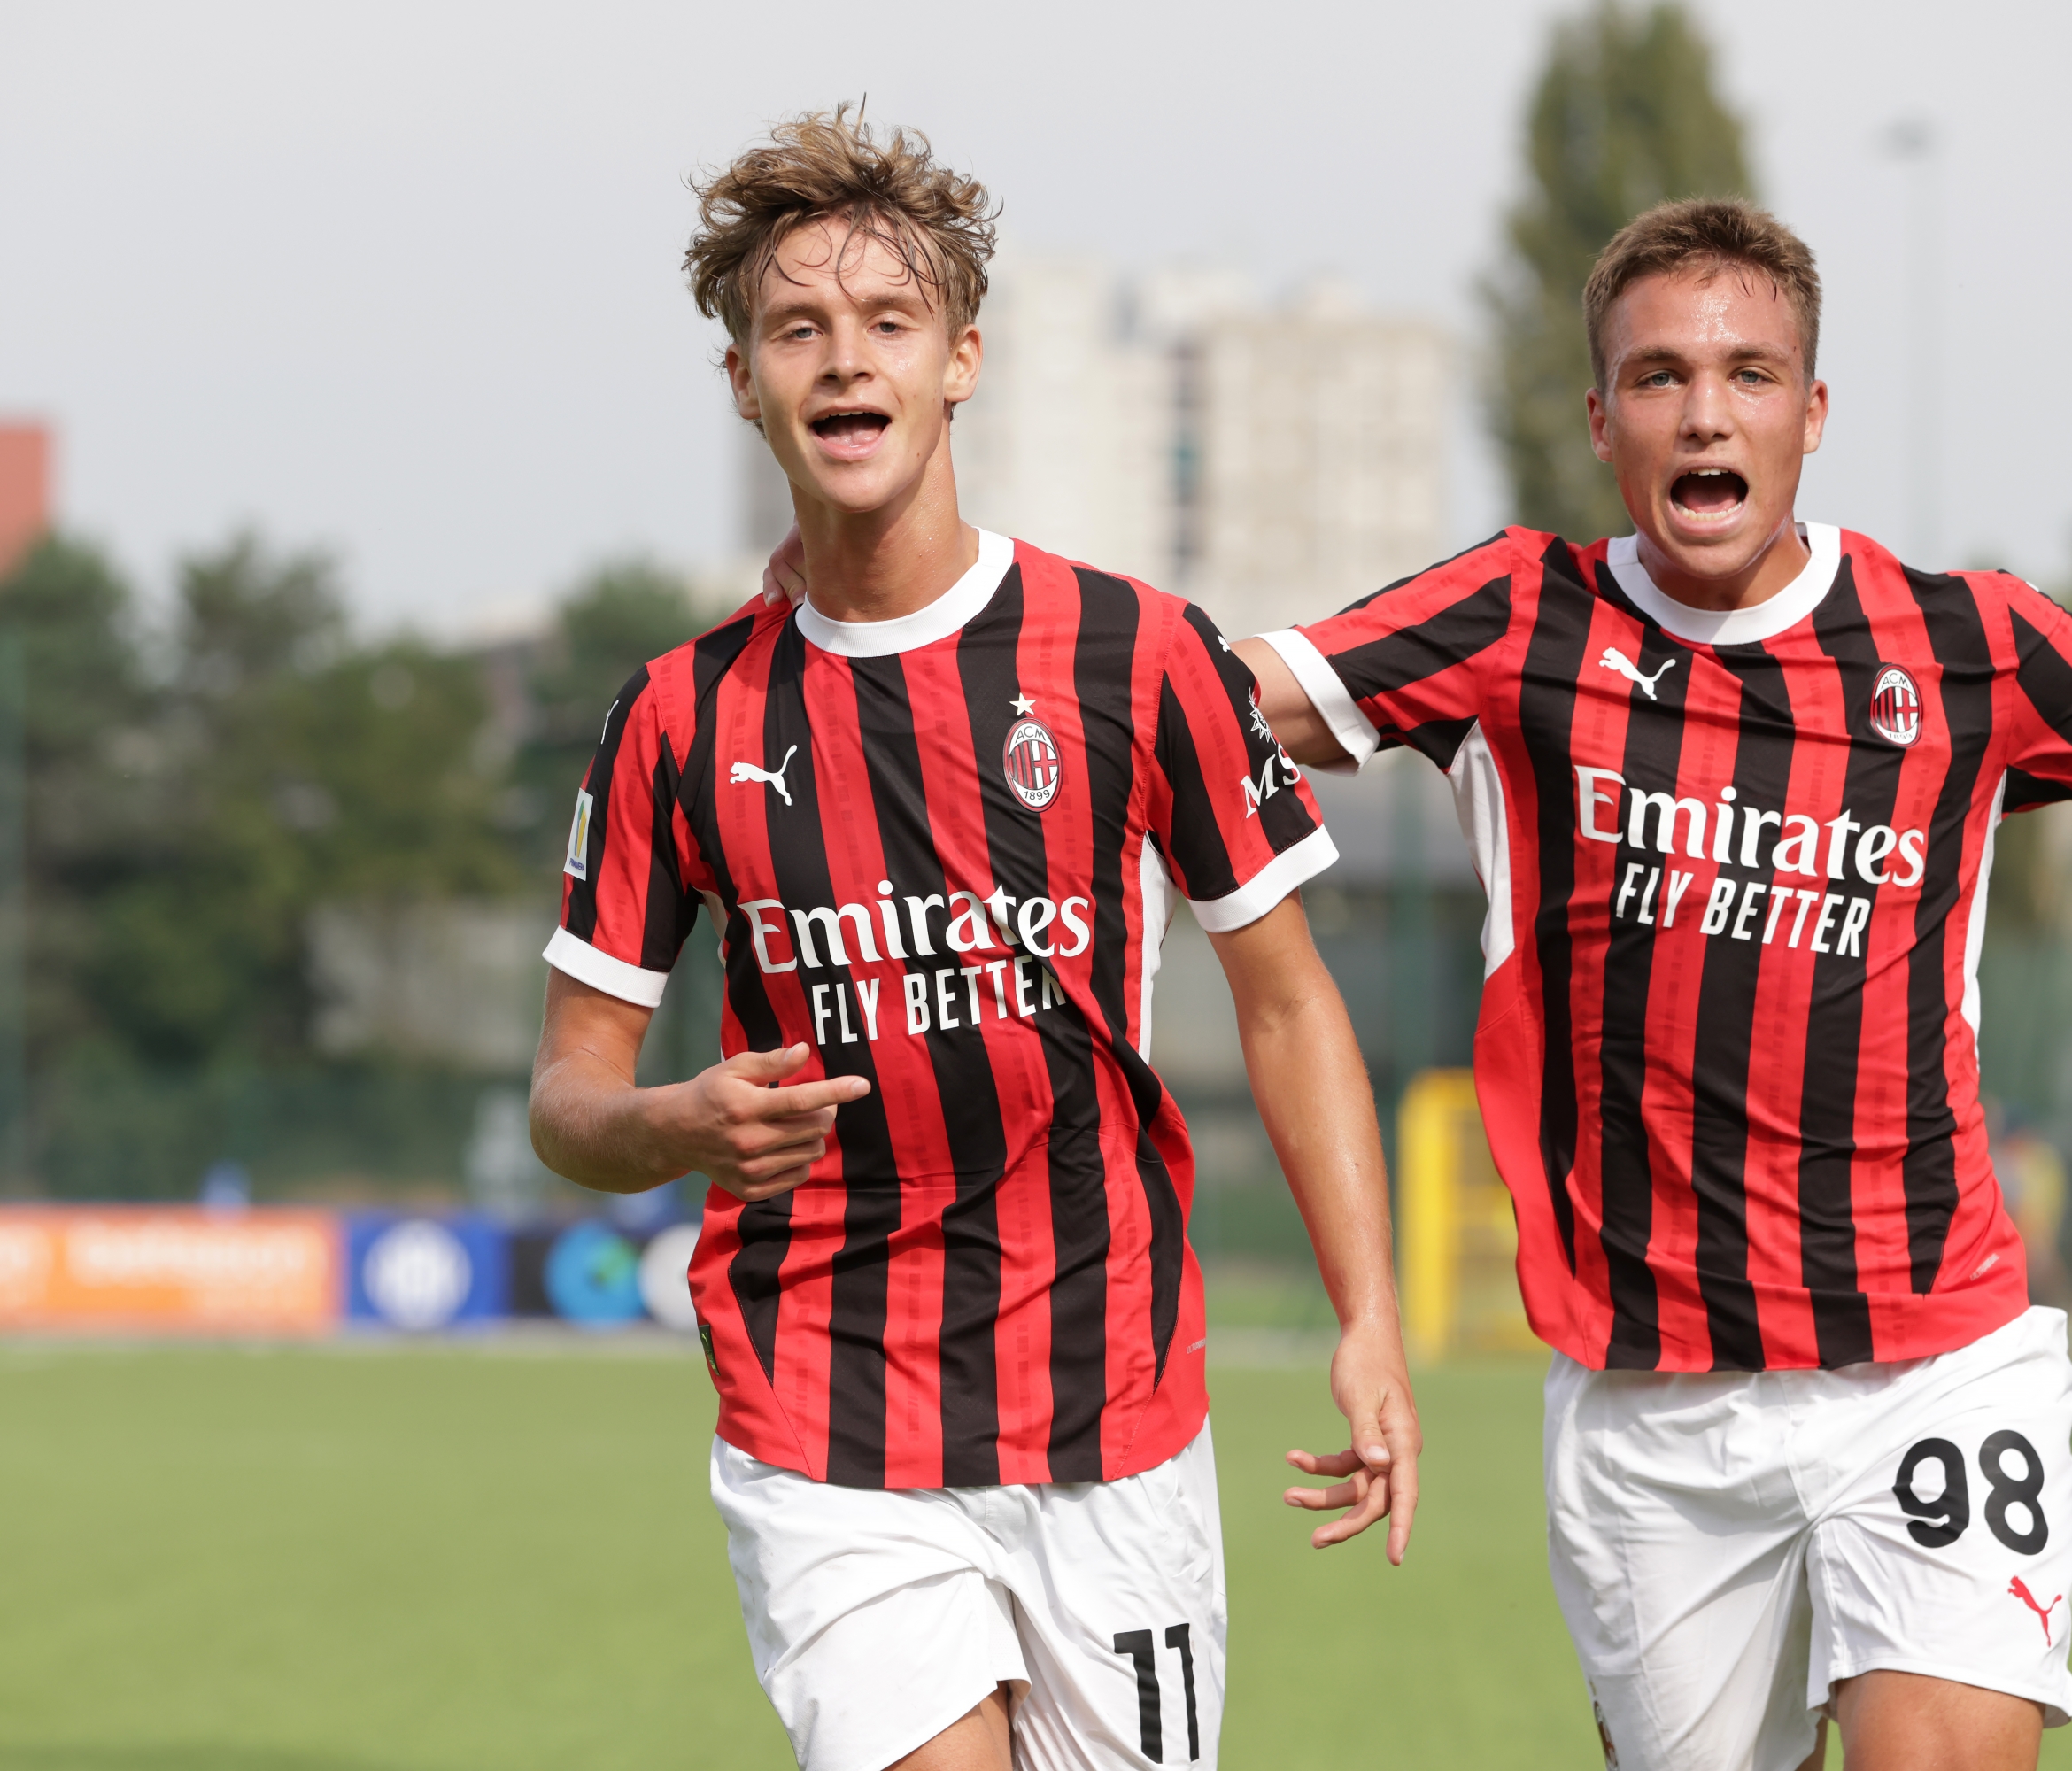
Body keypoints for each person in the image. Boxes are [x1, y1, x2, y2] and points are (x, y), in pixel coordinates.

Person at [1225, 199, 2072, 1770]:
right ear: (1600, 421)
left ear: (1812, 412)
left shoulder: (1969, 645)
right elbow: (1202, 714)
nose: (1705, 410)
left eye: (1750, 373)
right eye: (1657, 377)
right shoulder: (1518, 622)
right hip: (1653, 1414)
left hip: (1931, 1365)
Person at [530, 109, 1418, 1771]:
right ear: (744, 380)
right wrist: (675, 1124)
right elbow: (568, 1095)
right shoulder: (675, 716)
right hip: (825, 1419)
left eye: (887, 323)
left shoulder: (1137, 653)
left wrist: (1369, 1315)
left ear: (961, 362)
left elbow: (1290, 1009)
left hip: (1113, 1410)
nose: (843, 361)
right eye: (797, 328)